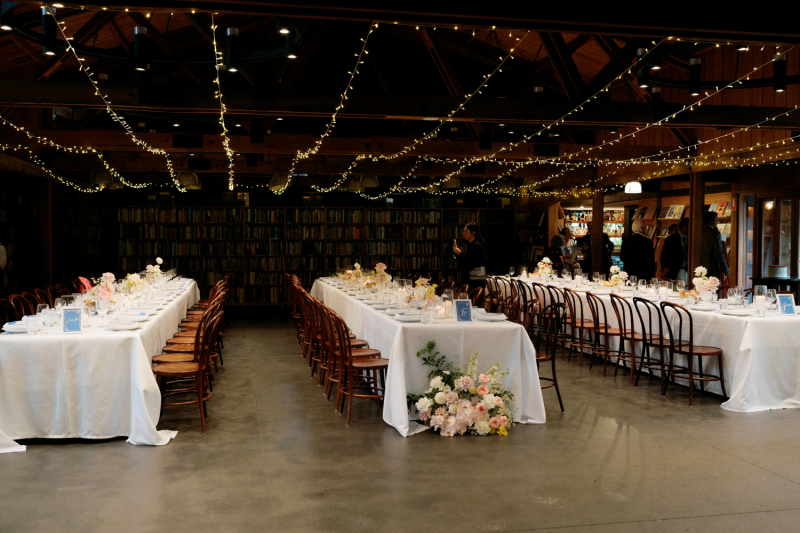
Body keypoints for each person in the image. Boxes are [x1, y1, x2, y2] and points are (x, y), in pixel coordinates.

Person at [452, 222, 486, 291]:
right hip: (471, 280)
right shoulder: (471, 244)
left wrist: (460, 253)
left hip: (476, 282)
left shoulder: (476, 245)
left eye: (465, 232)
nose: (463, 233)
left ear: (473, 233)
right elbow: (463, 263)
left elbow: (470, 265)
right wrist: (456, 254)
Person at [701, 210, 729, 280]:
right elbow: (719, 253)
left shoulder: (696, 231)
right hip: (712, 269)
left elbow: (684, 250)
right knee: (714, 289)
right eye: (716, 220)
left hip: (697, 268)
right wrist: (725, 269)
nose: (717, 222)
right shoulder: (715, 233)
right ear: (711, 220)